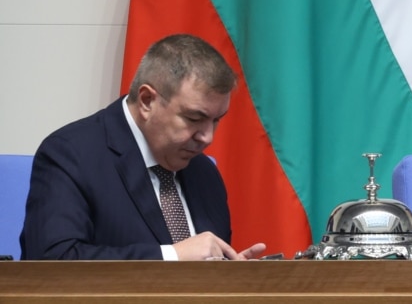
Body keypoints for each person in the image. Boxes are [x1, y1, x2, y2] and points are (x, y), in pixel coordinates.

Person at [21, 34, 266, 260]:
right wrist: (171, 256)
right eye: (194, 118)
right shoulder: (71, 155)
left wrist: (230, 277)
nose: (207, 137)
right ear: (147, 100)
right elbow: (51, 260)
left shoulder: (204, 173)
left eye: (216, 120)